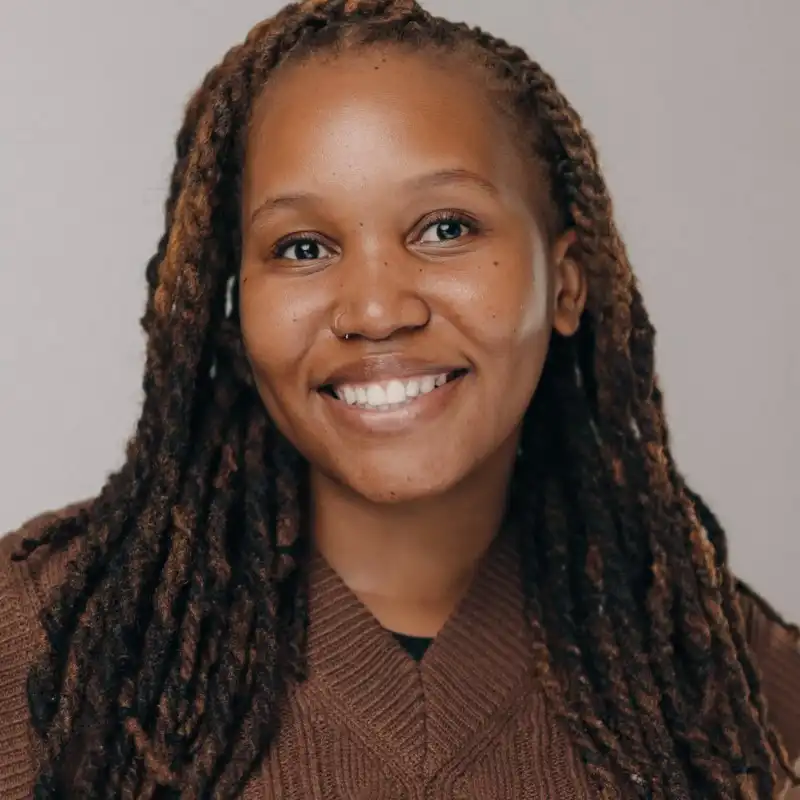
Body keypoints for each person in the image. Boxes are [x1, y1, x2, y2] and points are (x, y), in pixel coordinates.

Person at [1, 0, 798, 797]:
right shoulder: (44, 644)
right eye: (302, 247)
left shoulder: (727, 694)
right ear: (235, 303)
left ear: (566, 283)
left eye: (446, 229)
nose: (377, 310)